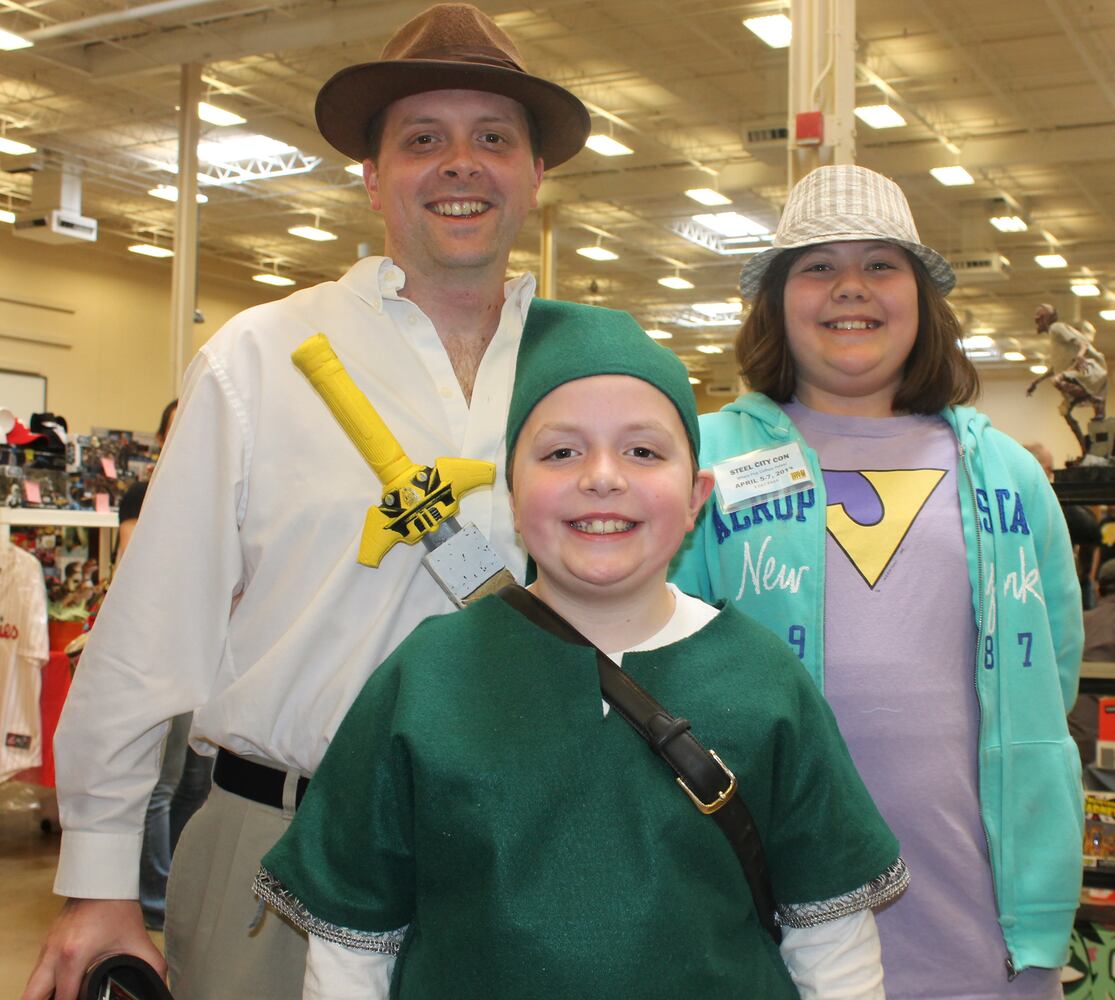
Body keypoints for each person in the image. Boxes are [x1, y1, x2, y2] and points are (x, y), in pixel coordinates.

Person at [23, 6, 590, 1000]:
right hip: (277, 856)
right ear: (371, 175)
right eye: (423, 138)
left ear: (535, 172)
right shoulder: (259, 357)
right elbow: (153, 628)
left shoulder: (592, 368)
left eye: (493, 137)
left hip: (532, 852)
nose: (460, 163)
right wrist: (102, 878)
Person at [254, 299, 909, 999]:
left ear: (696, 496)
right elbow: (351, 952)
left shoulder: (763, 679)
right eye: (560, 452)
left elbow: (831, 946)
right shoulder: (426, 678)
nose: (601, 476)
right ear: (512, 492)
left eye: (643, 451)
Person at [671, 164, 1083, 997]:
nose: (849, 286)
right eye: (817, 265)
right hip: (756, 923)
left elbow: (1054, 670)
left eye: (880, 265)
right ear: (775, 302)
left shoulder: (1004, 470)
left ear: (921, 301)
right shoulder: (700, 459)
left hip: (980, 926)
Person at [1027, 304, 1108, 455]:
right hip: (1071, 375)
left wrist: (1080, 356)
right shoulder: (1054, 338)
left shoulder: (1056, 328)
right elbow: (1055, 368)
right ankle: (1085, 451)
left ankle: (1090, 396)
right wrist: (1036, 382)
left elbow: (1083, 343)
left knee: (1057, 381)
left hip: (1082, 372)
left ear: (1046, 319)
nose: (1036, 320)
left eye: (1040, 317)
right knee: (1065, 412)